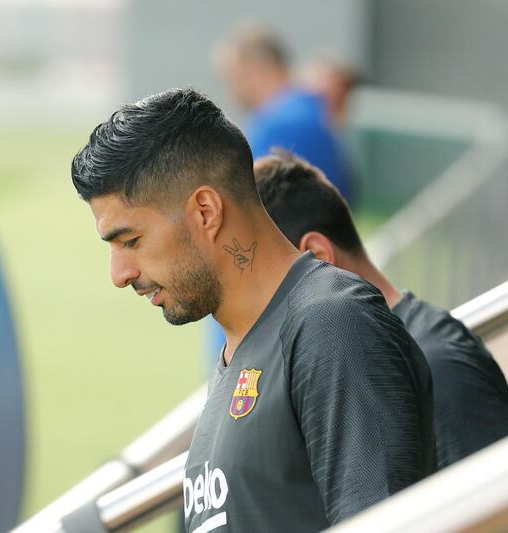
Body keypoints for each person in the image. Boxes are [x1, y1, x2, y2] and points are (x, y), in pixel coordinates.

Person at [71, 88, 435, 531]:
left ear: (205, 210)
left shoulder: (332, 324)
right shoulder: (239, 356)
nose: (120, 273)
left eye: (131, 241)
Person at [254, 149, 508, 470]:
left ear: (318, 257)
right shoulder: (345, 368)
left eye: (262, 283)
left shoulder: (439, 367)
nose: (258, 314)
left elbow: (495, 512)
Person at [216, 23, 353, 204]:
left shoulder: (281, 124)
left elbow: (253, 203)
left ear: (254, 71)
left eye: (233, 78)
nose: (232, 91)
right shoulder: (307, 110)